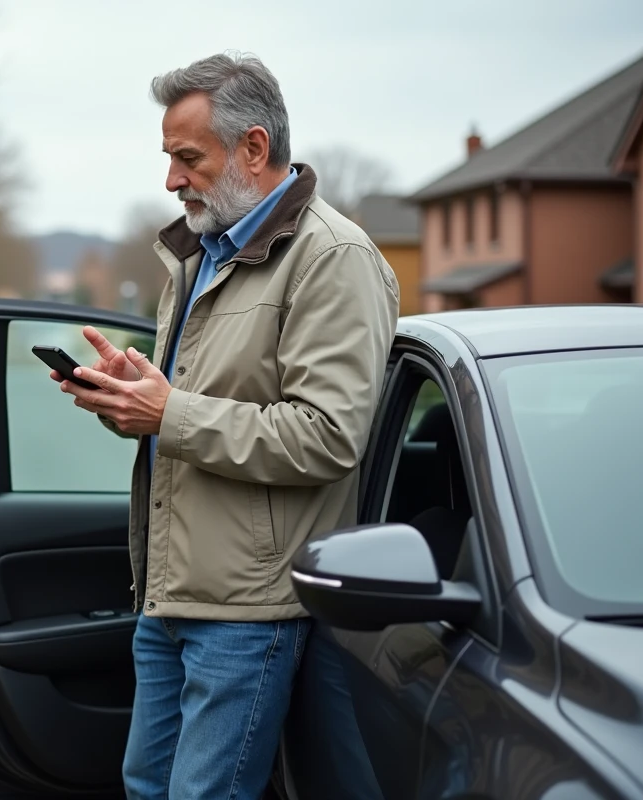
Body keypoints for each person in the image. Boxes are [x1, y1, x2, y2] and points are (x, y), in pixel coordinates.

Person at [49, 52, 400, 799]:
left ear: (253, 148)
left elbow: (327, 434)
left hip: (246, 611)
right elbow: (192, 411)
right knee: (147, 788)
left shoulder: (335, 259)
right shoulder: (201, 254)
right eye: (169, 158)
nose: (172, 179)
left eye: (187, 158)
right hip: (169, 594)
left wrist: (167, 412)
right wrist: (132, 403)